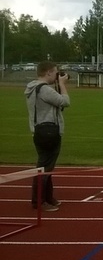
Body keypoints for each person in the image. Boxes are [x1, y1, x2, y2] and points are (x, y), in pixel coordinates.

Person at [25, 61, 70, 212]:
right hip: (49, 132)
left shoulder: (33, 88)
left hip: (39, 130)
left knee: (47, 166)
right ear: (48, 72)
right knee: (44, 168)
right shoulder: (44, 89)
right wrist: (62, 84)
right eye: (55, 73)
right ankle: (39, 201)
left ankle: (48, 197)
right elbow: (65, 102)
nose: (57, 75)